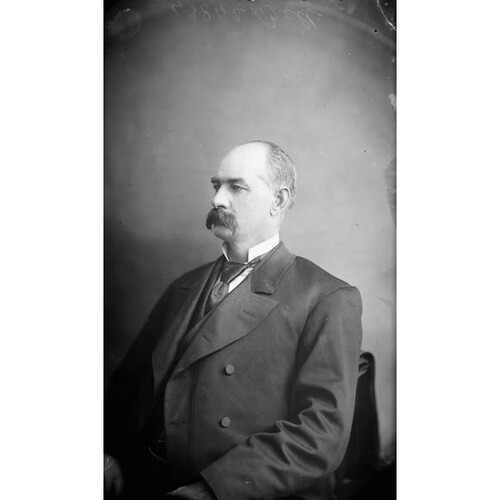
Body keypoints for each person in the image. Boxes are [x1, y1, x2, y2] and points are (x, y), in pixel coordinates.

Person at [104, 141, 363, 500]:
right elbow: (130, 384)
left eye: (236, 187)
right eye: (216, 185)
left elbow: (321, 432)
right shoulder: (184, 286)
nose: (217, 200)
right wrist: (111, 454)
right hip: (144, 481)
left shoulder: (325, 297)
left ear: (278, 200)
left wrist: (213, 489)